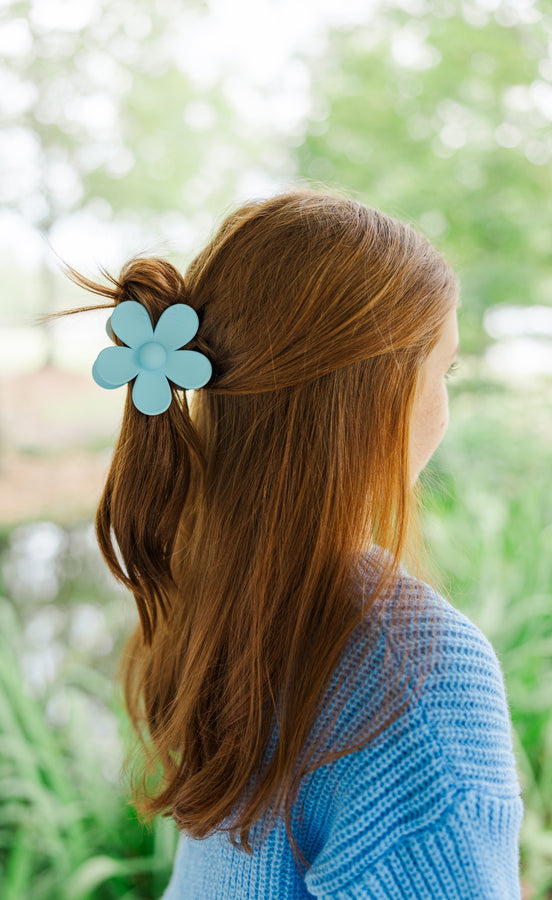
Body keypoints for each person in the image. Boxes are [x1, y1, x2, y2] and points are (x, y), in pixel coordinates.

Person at [66, 188, 523, 898]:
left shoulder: (215, 590)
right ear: (380, 398)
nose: (446, 406)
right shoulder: (423, 674)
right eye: (446, 370)